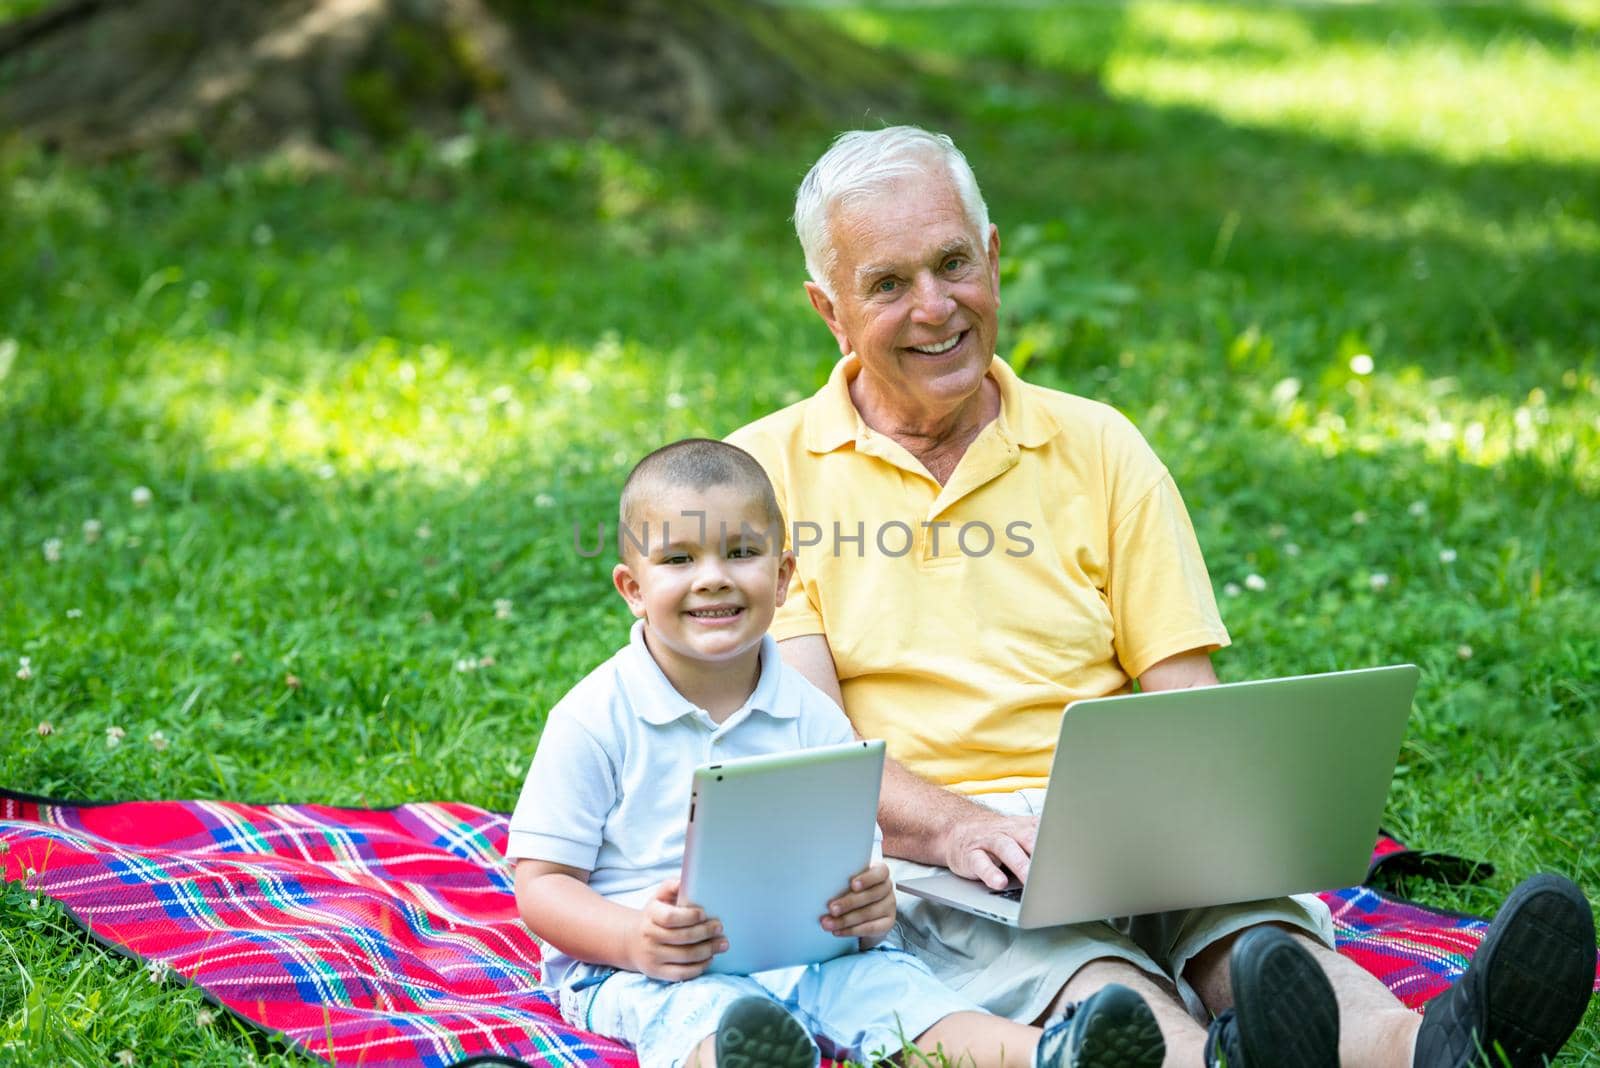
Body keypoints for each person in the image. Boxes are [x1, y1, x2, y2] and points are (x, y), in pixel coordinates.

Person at [727, 126, 1597, 1068]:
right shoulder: (758, 478)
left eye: (953, 264)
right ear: (830, 310)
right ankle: (1206, 1057)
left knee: (1265, 942)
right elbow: (811, 753)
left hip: (1123, 817)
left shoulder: (1099, 445)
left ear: (995, 260)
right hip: (938, 856)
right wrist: (964, 826)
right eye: (889, 285)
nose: (937, 307)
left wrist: (1212, 824)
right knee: (1103, 992)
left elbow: (1182, 687)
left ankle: (1437, 1043)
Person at [505, 437, 1172, 1068]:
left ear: (784, 574)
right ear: (633, 587)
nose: (712, 579)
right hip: (643, 965)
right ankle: (747, 1056)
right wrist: (634, 939)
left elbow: (855, 863)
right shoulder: (596, 718)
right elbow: (541, 887)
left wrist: (867, 908)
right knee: (705, 1013)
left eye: (740, 552)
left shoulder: (812, 714)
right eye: (678, 560)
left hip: (804, 951)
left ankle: (1054, 1055)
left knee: (898, 992)